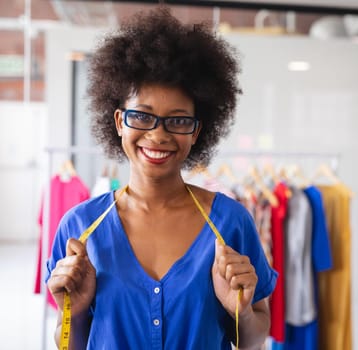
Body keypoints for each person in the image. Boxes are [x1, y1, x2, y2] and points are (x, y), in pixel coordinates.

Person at [46, 7, 277, 349]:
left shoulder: (230, 223)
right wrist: (76, 313)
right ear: (119, 121)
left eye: (178, 120)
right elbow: (69, 343)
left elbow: (254, 340)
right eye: (142, 116)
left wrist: (240, 312)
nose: (158, 135)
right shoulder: (78, 227)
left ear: (197, 131)